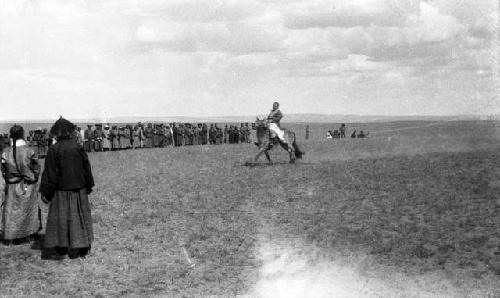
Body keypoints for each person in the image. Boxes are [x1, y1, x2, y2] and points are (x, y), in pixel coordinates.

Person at [39, 117, 94, 259]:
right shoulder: (78, 147)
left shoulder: (53, 150)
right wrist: (88, 186)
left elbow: (50, 173)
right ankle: (81, 247)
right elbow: (86, 168)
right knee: (79, 218)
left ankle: (62, 247)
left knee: (61, 220)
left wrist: (46, 192)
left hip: (60, 191)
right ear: (70, 132)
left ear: (56, 134)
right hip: (79, 189)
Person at [0, 125, 41, 243]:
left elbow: (3, 169)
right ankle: (29, 233)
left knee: (12, 211)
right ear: (22, 134)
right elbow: (36, 167)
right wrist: (33, 177)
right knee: (28, 209)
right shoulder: (29, 150)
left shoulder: (6, 152)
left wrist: (9, 179)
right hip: (27, 184)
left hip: (12, 184)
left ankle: (10, 235)